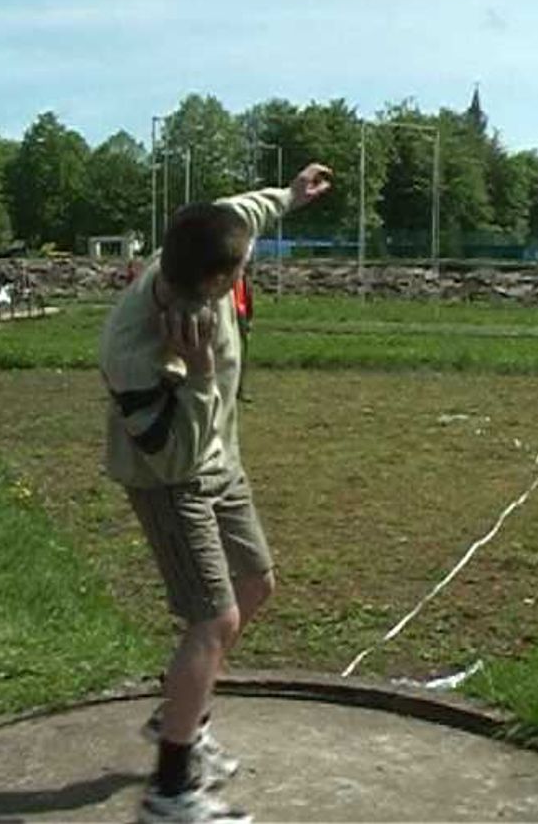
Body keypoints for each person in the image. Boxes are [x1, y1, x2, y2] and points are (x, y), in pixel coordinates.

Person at [99, 162, 331, 824]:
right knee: (214, 619)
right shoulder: (131, 346)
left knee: (255, 584)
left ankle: (181, 715)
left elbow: (246, 212)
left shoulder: (216, 235)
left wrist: (291, 194)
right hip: (170, 478)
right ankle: (170, 791)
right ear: (214, 282)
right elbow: (165, 450)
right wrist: (197, 374)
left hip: (221, 459)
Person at [230, 270, 254, 402]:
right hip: (230, 312)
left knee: (242, 352)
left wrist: (250, 319)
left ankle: (240, 388)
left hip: (241, 314)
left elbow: (249, 297)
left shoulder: (245, 277)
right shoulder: (227, 275)